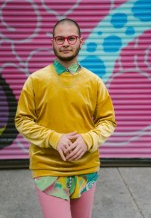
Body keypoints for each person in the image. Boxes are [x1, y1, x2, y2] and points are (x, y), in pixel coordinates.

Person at [15, 18, 116, 218]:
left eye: (71, 38)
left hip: (86, 168)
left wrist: (87, 140)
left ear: (81, 41)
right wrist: (54, 138)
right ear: (52, 42)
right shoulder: (35, 81)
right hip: (47, 168)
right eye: (60, 39)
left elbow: (107, 121)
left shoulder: (94, 82)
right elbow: (22, 120)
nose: (66, 43)